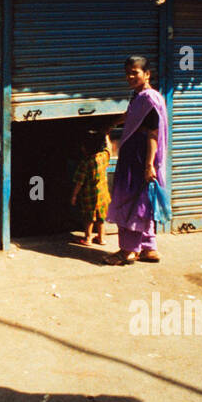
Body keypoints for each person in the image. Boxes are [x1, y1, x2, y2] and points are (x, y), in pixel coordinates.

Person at [104, 56, 166, 264]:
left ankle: (127, 251)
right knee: (143, 202)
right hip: (133, 155)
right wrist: (114, 122)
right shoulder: (138, 96)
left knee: (130, 201)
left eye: (135, 72)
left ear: (147, 74)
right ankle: (148, 248)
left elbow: (152, 134)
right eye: (127, 73)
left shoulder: (149, 99)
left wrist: (149, 165)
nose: (130, 77)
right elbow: (131, 115)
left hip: (140, 158)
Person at [68, 129, 111, 245]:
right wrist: (106, 136)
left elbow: (79, 182)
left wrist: (74, 195)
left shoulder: (85, 163)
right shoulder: (103, 157)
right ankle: (101, 238)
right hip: (102, 196)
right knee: (101, 217)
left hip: (89, 197)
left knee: (88, 218)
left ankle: (87, 238)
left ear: (84, 149)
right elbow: (109, 149)